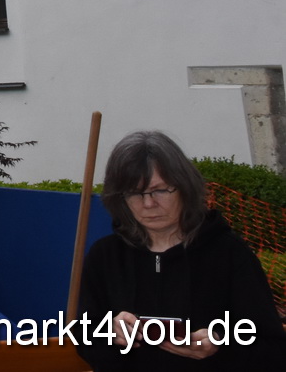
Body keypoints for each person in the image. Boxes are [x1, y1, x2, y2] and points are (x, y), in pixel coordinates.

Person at [77, 130, 286, 369]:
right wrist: (109, 334)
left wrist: (222, 344)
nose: (148, 203)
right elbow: (85, 341)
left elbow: (273, 351)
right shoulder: (106, 257)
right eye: (135, 193)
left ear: (185, 188)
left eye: (161, 190)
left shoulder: (229, 254)